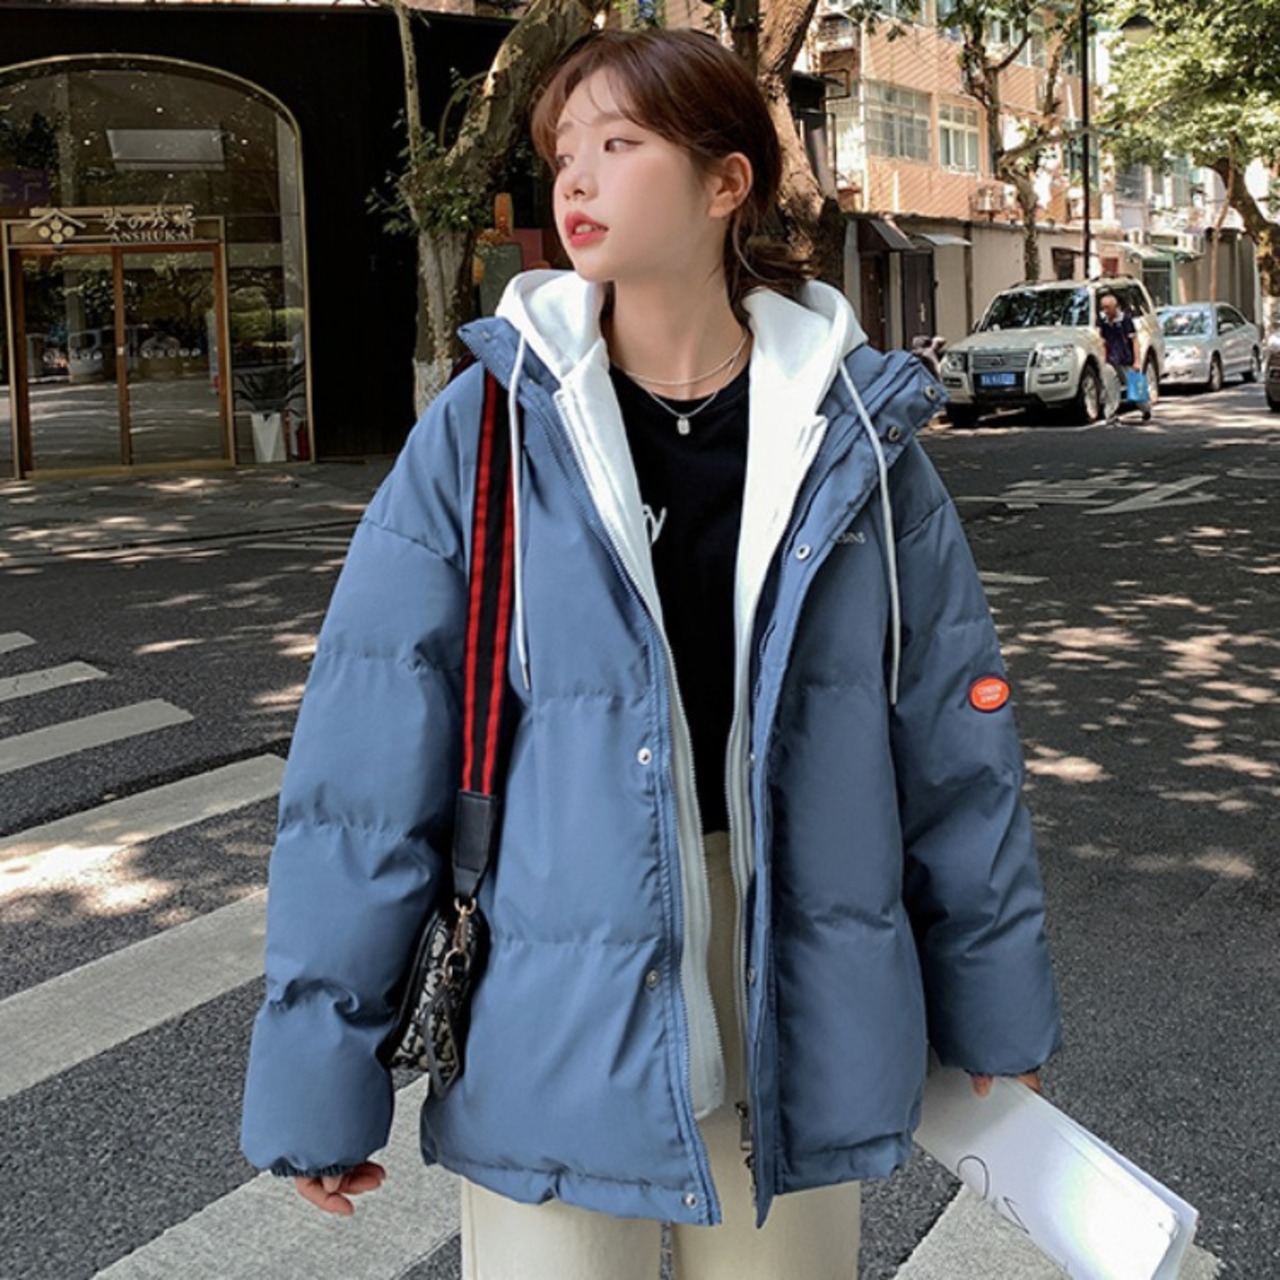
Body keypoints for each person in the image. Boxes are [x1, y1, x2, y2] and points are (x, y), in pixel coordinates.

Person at [240, 28, 1060, 1279]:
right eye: (563, 150)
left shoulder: (853, 438)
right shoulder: (488, 431)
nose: (574, 178)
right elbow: (361, 775)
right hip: (551, 1009)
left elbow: (953, 748)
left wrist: (994, 1003)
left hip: (799, 999)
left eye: (618, 144)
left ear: (726, 181)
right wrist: (318, 1076)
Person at [1098, 289, 1149, 425]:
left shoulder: (1125, 320)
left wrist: (1137, 361)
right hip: (1111, 360)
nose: (1105, 311)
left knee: (1135, 388)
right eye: (1103, 307)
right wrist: (1103, 360)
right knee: (1111, 388)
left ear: (1115, 307)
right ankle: (1110, 415)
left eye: (1108, 307)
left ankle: (1145, 409)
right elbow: (1103, 341)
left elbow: (1134, 341)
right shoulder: (1104, 321)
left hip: (1126, 359)